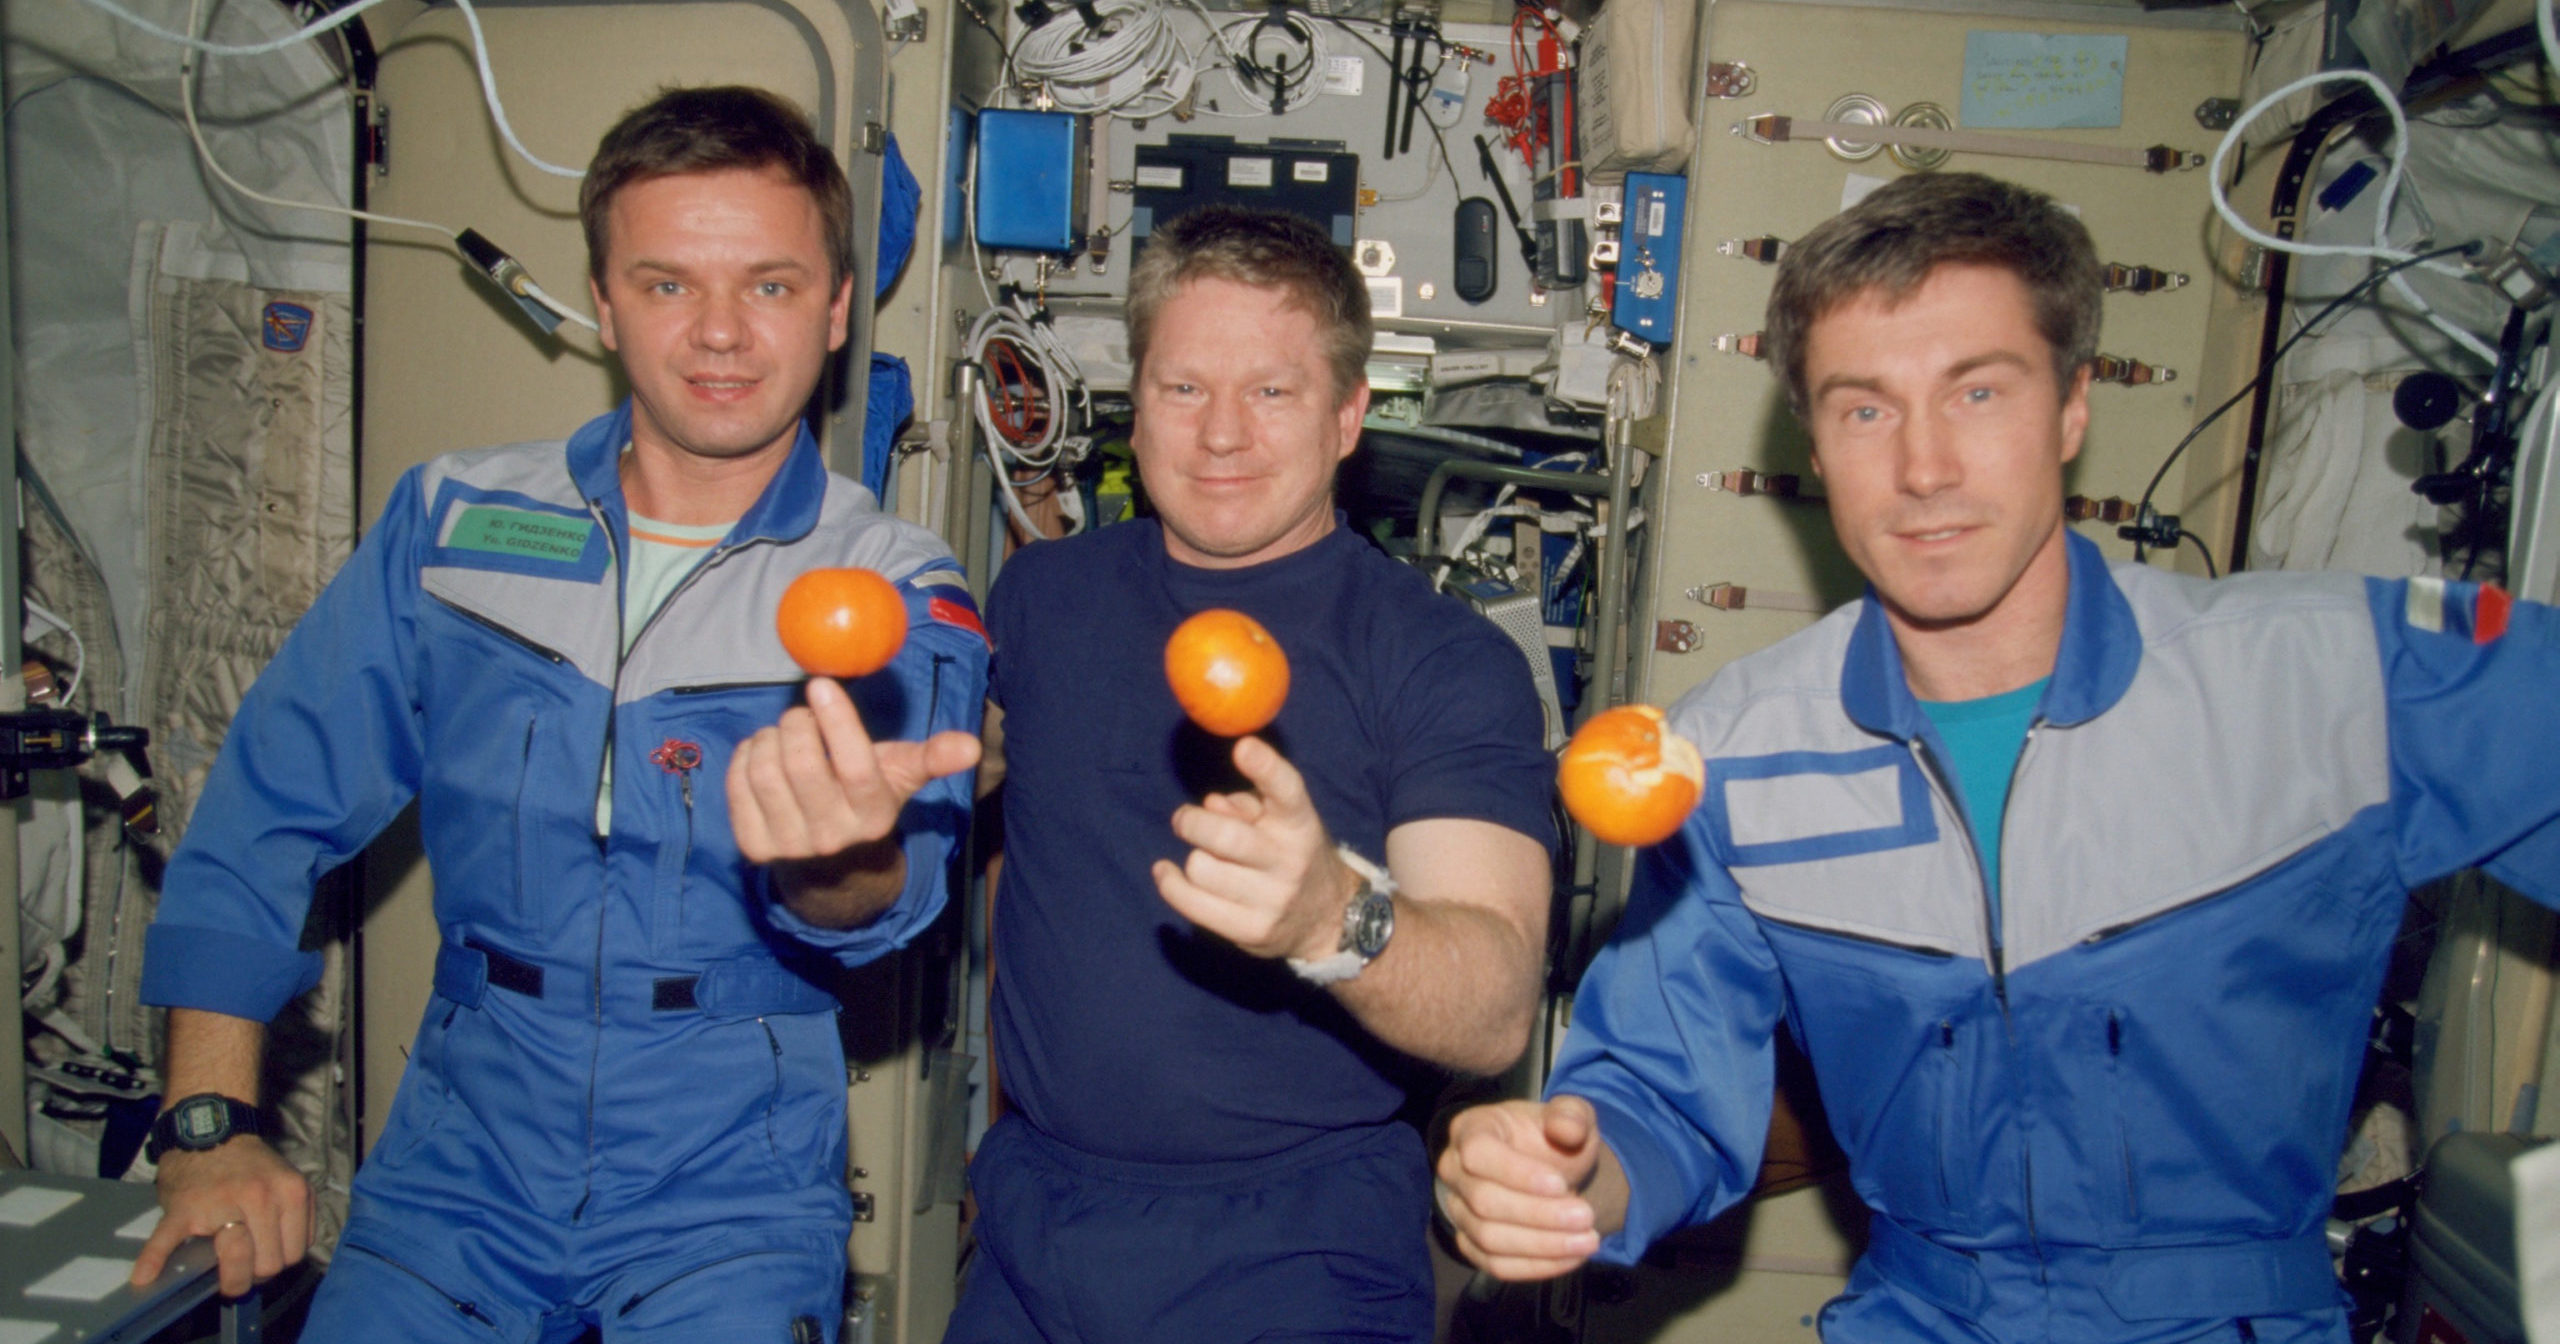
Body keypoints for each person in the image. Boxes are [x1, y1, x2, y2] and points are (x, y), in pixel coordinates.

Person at [1436, 171, 2560, 1344]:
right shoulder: (1736, 757)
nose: (1923, 468)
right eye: (1863, 409)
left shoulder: (2331, 679)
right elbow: (1658, 1099)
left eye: (1976, 392)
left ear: (2072, 407)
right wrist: (1566, 1180)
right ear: (1812, 444)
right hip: (1919, 1315)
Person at [131, 86, 988, 1343]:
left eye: (769, 285)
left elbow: (889, 899)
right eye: (665, 284)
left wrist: (837, 855)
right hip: (456, 1160)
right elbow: (264, 810)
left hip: (729, 1183)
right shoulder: (455, 526)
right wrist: (208, 1122)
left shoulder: (899, 586)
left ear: (838, 308)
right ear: (600, 302)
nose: (719, 335)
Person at [947, 205, 1557, 1343]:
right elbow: (989, 858)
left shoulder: (1440, 661)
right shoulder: (1041, 600)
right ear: (1136, 404)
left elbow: (1494, 1005)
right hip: (1036, 1227)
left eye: (1271, 392)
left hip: (1299, 1247)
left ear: (1347, 415)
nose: (1220, 434)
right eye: (1183, 388)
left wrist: (1333, 916)